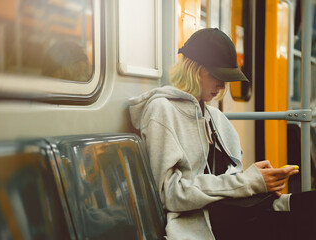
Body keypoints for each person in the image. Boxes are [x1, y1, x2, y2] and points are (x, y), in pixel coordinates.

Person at [129, 28, 316, 240]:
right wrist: (248, 182)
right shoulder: (162, 111)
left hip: (237, 212)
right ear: (195, 69)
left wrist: (259, 183)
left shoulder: (215, 117)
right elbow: (168, 195)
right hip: (206, 222)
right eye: (218, 76)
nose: (223, 85)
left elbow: (232, 178)